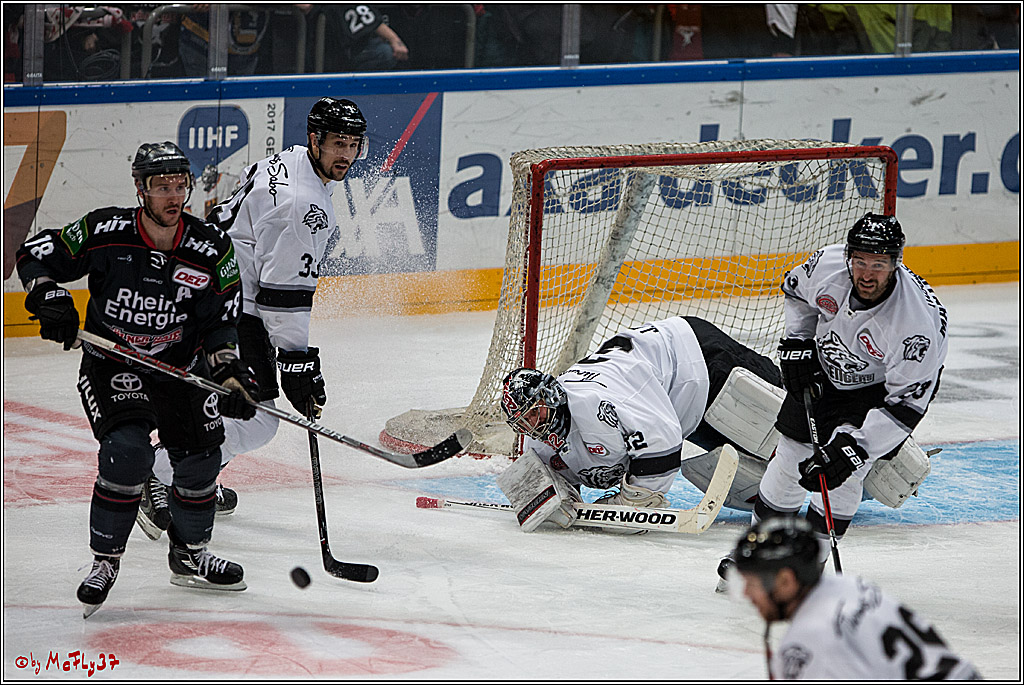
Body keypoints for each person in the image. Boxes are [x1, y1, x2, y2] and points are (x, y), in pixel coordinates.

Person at [15, 141, 259, 617]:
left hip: (179, 368)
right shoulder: (107, 230)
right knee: (127, 452)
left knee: (200, 460)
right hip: (114, 364)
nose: (173, 196)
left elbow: (221, 321)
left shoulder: (211, 248)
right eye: (160, 186)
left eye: (179, 185)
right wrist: (48, 296)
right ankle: (105, 560)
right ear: (141, 190)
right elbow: (34, 253)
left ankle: (189, 555)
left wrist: (228, 372)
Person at [136, 97, 367, 539]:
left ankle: (195, 474)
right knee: (257, 418)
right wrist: (296, 360)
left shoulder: (290, 160)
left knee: (234, 405)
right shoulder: (304, 209)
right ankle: (160, 474)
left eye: (355, 145)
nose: (347, 155)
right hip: (225, 301)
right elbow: (282, 297)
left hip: (208, 280)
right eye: (339, 143)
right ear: (315, 139)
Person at [720, 213, 948, 584]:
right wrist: (799, 340)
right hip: (825, 370)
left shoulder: (914, 327)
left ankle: (809, 566)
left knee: (841, 475)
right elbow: (795, 291)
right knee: (789, 461)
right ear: (848, 257)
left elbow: (906, 404)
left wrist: (857, 448)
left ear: (896, 263)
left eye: (878, 264)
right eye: (859, 261)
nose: (867, 273)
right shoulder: (827, 265)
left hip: (879, 393)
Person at [497, 315, 784, 529]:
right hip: (676, 399)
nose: (532, 426)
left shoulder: (595, 404)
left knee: (797, 426)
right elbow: (539, 481)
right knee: (772, 466)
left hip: (695, 358)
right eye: (522, 421)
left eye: (534, 412)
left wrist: (635, 500)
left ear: (550, 396)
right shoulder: (541, 435)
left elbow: (663, 440)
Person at [730, 517, 981, 679]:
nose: (746, 594)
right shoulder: (851, 585)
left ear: (786, 580)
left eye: (751, 583)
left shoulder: (808, 641)